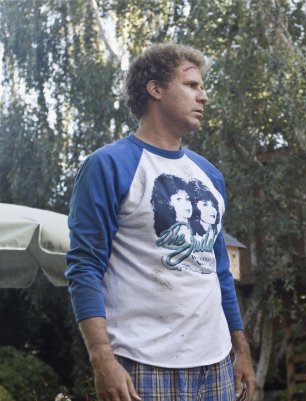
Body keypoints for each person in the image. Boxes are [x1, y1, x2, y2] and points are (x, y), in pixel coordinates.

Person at [65, 43, 255, 401]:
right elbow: (84, 266)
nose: (203, 96)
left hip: (215, 364)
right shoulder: (108, 165)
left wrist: (240, 348)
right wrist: (102, 358)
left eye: (202, 87)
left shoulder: (210, 175)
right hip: (140, 362)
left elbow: (219, 270)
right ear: (155, 89)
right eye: (191, 85)